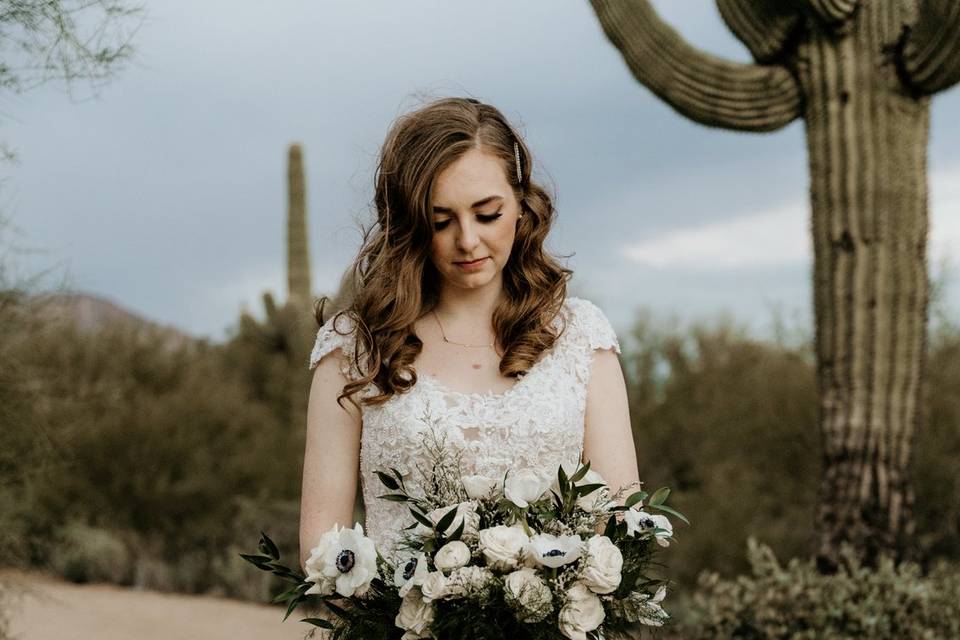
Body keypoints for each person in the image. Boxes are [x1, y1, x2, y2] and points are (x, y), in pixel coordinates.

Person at [299, 97, 638, 568]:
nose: (467, 241)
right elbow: (321, 547)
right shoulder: (355, 349)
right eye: (441, 221)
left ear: (521, 206)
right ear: (412, 225)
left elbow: (621, 524)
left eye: (487, 214)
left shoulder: (580, 337)